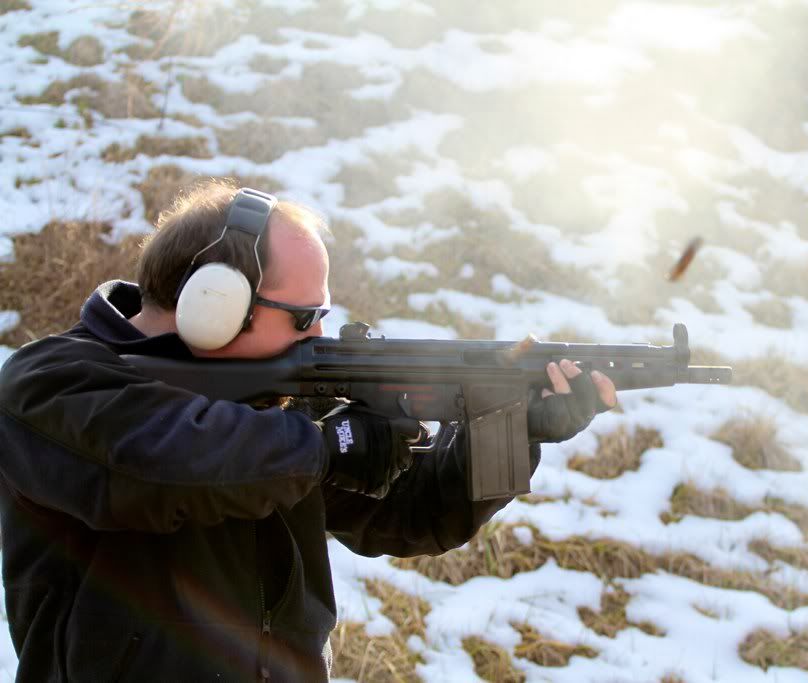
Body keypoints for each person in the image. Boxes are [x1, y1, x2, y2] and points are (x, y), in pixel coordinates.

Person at [0, 181, 617, 681]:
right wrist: (331, 446)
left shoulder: (279, 409)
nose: (318, 335)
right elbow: (160, 465)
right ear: (216, 302)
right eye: (303, 317)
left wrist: (513, 427)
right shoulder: (48, 384)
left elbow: (418, 515)